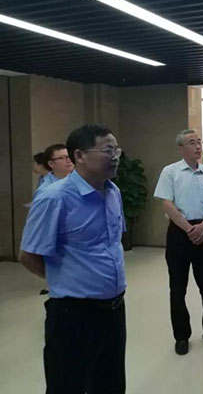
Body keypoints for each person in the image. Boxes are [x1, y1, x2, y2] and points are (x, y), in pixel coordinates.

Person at [20, 124, 127, 394]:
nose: (115, 157)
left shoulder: (113, 192)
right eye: (107, 150)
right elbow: (28, 255)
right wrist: (66, 279)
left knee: (111, 384)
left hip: (114, 310)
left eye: (117, 151)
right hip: (73, 315)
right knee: (68, 386)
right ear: (79, 156)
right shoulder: (55, 198)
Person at [154, 129, 203, 355]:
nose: (197, 146)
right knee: (178, 288)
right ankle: (182, 336)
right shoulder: (170, 172)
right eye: (192, 143)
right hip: (179, 233)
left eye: (199, 142)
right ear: (181, 149)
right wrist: (188, 229)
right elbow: (167, 204)